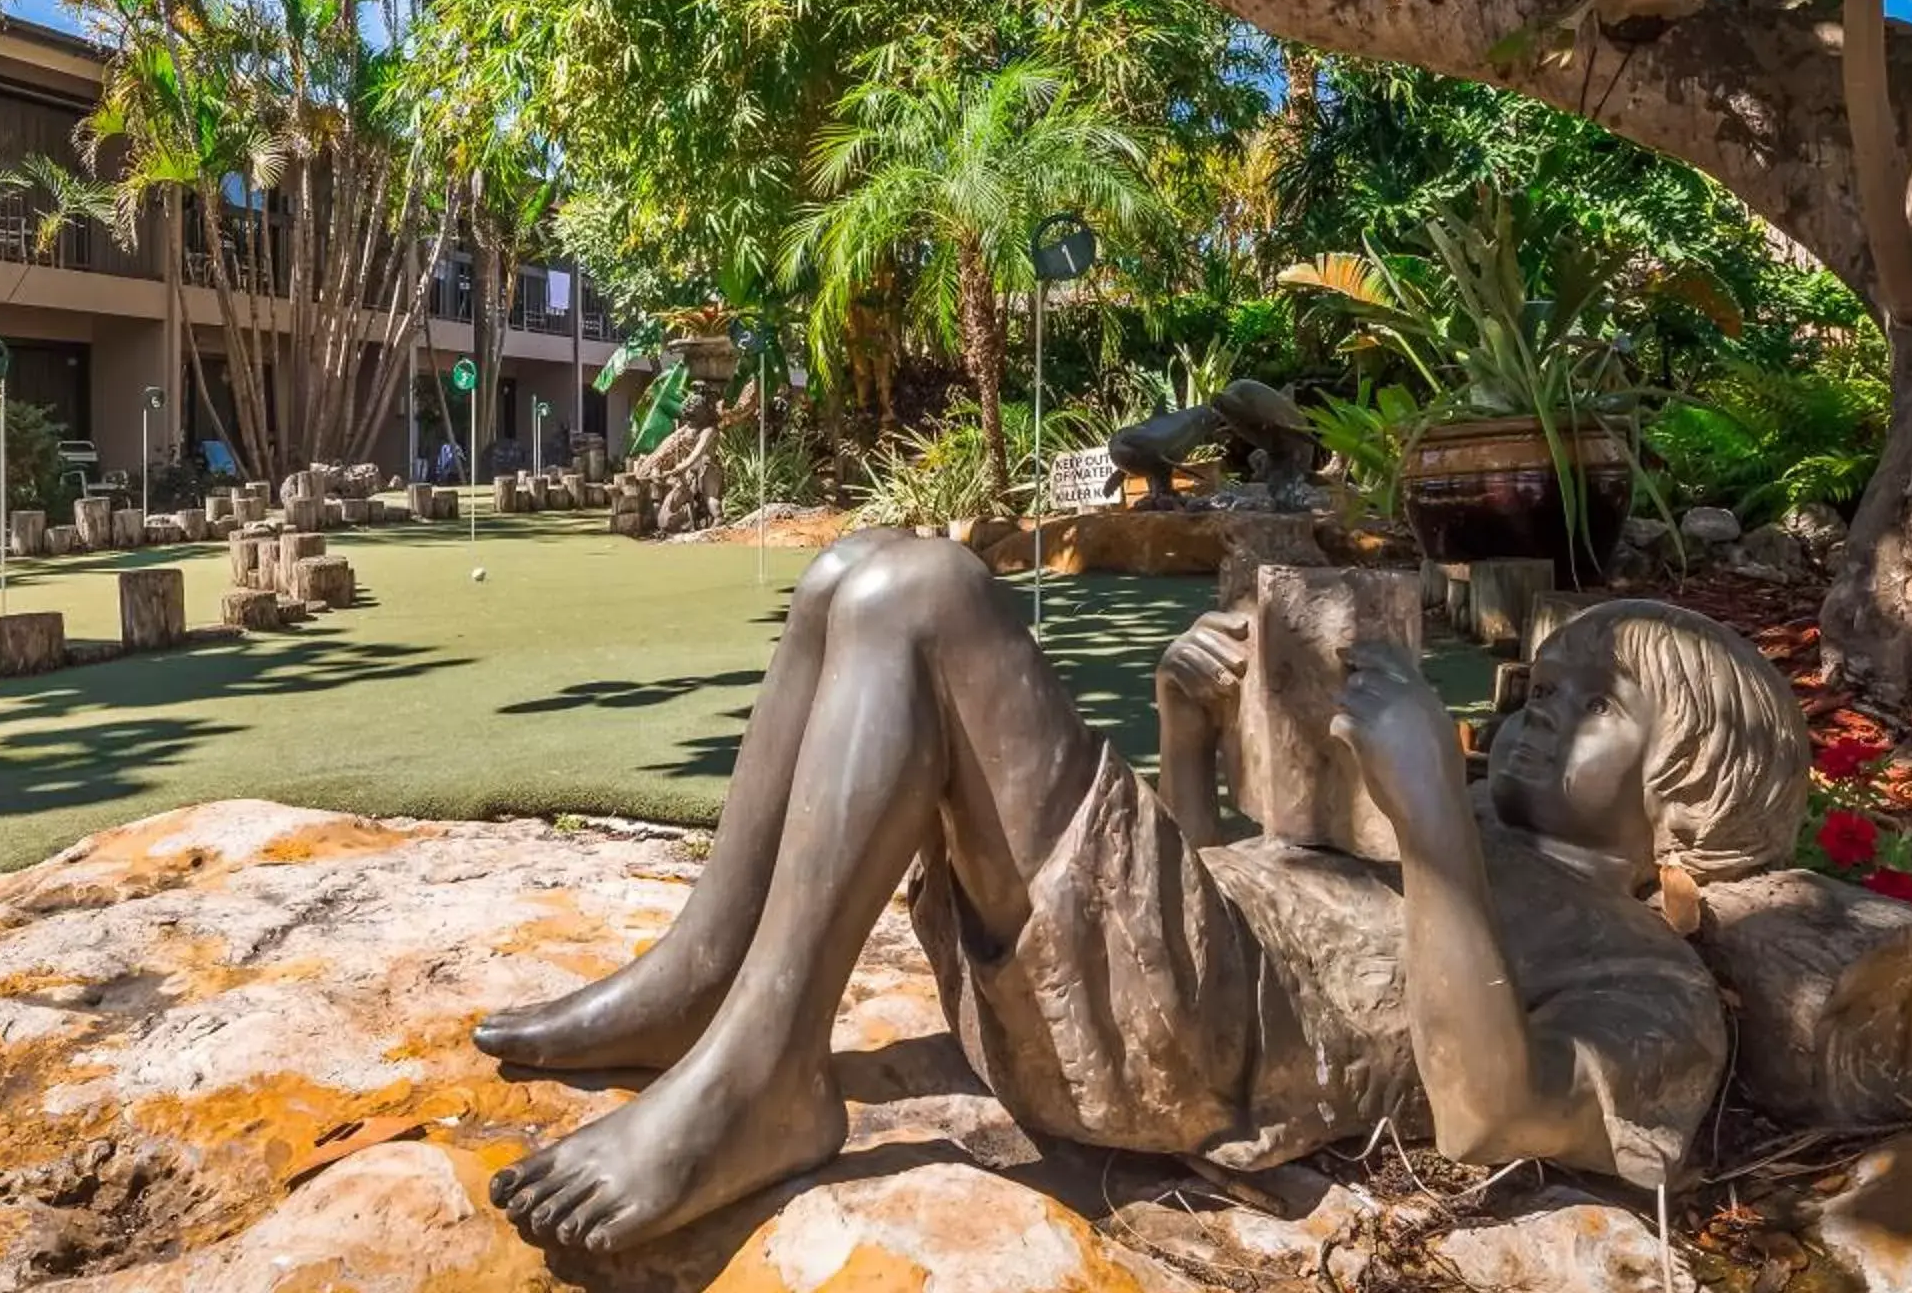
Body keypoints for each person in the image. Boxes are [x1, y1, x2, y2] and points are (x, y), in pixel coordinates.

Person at [476, 529, 1809, 1253]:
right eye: (1541, 683)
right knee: (846, 577)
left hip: (1183, 1058)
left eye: (1586, 706)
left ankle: (763, 1080)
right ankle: (709, 976)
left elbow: (1490, 1114)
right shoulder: (1463, 829)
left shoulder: (1651, 980)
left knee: (926, 594)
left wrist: (1436, 840)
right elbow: (1243, 888)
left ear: (1691, 785)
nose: (1528, 710)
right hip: (1141, 994)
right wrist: (1184, 733)